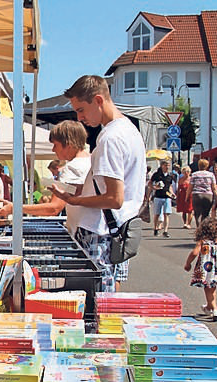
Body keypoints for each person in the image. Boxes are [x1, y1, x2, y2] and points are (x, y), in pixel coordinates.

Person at [49, 75, 146, 293]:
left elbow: (114, 198)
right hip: (112, 229)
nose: (80, 117)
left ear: (99, 100)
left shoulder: (110, 137)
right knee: (104, 297)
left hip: (99, 231)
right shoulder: (129, 130)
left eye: (82, 109)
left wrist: (75, 200)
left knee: (95, 301)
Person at [0, 120, 91, 225]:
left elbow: (54, 208)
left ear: (68, 144)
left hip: (83, 228)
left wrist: (15, 208)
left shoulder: (72, 167)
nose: (53, 150)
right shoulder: (91, 160)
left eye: (55, 145)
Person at [183, 217, 217, 322]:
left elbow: (194, 253)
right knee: (211, 289)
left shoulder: (203, 242)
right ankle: (208, 307)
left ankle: (215, 310)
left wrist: (188, 264)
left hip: (207, 269)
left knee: (208, 289)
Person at [186, 159, 217, 227]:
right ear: (207, 166)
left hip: (197, 195)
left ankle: (199, 228)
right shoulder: (211, 175)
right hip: (208, 195)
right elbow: (214, 188)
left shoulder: (194, 174)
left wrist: (187, 197)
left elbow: (190, 187)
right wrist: (216, 198)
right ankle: (204, 230)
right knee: (206, 214)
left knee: (197, 214)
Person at [149, 160, 175, 238]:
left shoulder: (170, 176)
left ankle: (165, 230)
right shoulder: (157, 175)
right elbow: (150, 183)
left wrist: (172, 193)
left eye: (168, 165)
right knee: (157, 214)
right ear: (162, 166)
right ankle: (155, 228)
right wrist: (154, 188)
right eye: (165, 165)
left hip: (167, 197)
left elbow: (170, 186)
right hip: (158, 196)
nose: (167, 167)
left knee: (166, 214)